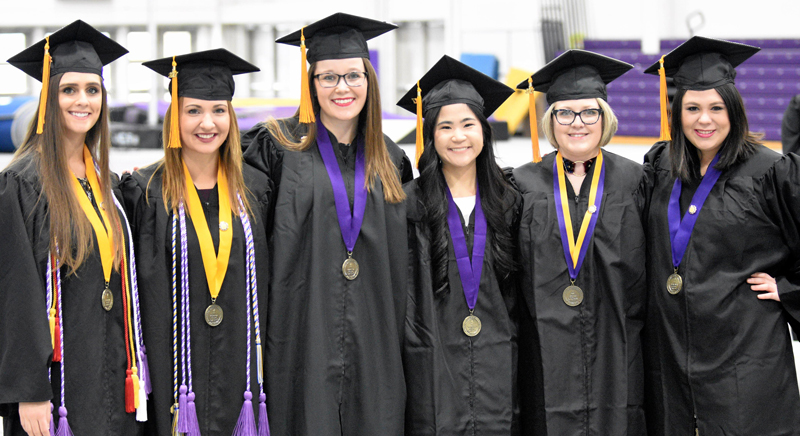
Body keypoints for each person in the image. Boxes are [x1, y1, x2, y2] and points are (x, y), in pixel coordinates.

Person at [240, 12, 413, 436]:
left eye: (353, 76)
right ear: (310, 83)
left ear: (369, 81)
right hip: (300, 332)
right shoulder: (276, 146)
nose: (342, 88)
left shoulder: (392, 159)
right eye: (328, 77)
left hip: (375, 339)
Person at [641, 36, 800, 435]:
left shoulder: (771, 171)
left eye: (716, 107)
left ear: (734, 110)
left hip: (744, 349)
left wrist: (790, 287)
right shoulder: (661, 164)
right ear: (676, 113)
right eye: (692, 108)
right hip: (673, 347)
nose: (704, 120)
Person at [0, 20, 147, 436]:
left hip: (112, 369)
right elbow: (15, 290)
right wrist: (29, 390)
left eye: (92, 89)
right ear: (49, 97)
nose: (82, 100)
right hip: (56, 385)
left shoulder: (107, 182)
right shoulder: (23, 182)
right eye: (69, 89)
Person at [120, 49, 271, 436]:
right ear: (174, 118)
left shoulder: (256, 190)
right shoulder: (144, 192)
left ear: (232, 117)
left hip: (241, 376)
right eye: (193, 111)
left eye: (219, 110)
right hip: (173, 376)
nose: (208, 123)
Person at [512, 50, 647, 435]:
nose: (577, 123)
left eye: (589, 112)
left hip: (618, 348)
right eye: (564, 113)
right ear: (549, 120)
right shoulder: (521, 185)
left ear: (604, 118)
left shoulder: (637, 181)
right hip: (545, 354)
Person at [396, 55, 520, 435]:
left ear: (484, 131)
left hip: (499, 363)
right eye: (445, 126)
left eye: (468, 124)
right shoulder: (406, 204)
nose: (458, 136)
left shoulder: (511, 201)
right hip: (432, 367)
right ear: (431, 135)